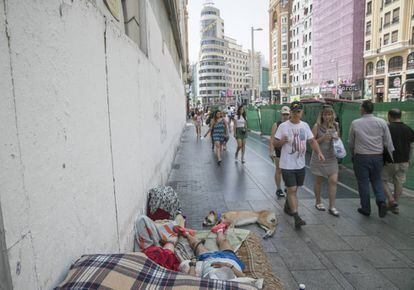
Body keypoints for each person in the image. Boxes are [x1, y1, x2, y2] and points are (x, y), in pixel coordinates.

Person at [274, 101, 325, 229]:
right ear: (290, 112)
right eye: (294, 111)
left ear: (301, 112)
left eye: (298, 111)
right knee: (291, 189)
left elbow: (312, 141)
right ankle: (296, 217)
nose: (296, 114)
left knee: (295, 189)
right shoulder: (283, 126)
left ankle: (288, 206)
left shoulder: (305, 126)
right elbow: (275, 143)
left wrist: (319, 152)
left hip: (300, 164)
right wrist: (281, 141)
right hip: (287, 164)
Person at [348, 100, 394, 218]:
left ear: (363, 109)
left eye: (360, 107)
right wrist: (390, 157)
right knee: (377, 180)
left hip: (361, 157)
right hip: (377, 157)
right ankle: (381, 201)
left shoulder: (355, 123)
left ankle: (366, 208)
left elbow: (351, 142)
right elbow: (388, 142)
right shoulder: (382, 122)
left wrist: (352, 154)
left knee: (363, 182)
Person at [175, 222, 246, 280]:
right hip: (230, 260)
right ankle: (219, 230)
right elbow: (244, 278)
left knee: (197, 245)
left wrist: (193, 264)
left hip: (208, 260)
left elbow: (191, 281)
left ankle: (186, 234)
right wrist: (228, 265)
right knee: (224, 242)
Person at [382, 108, 414, 214]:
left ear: (389, 116)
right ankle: (395, 207)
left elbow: (383, 144)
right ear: (400, 116)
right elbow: (412, 146)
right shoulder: (409, 129)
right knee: (399, 183)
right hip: (404, 161)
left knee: (382, 180)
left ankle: (391, 200)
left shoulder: (387, 128)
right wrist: (409, 159)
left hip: (390, 160)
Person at [310, 105, 340, 217]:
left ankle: (332, 206)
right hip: (319, 157)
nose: (327, 116)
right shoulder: (316, 126)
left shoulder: (336, 126)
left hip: (332, 157)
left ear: (333, 115)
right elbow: (311, 142)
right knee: (319, 181)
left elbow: (339, 140)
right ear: (321, 115)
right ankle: (318, 202)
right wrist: (323, 138)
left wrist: (336, 138)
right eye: (325, 114)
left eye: (329, 114)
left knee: (333, 181)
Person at [269, 106, 291, 198]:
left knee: (289, 170)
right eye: (284, 114)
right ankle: (278, 189)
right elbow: (272, 139)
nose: (285, 116)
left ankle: (287, 186)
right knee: (279, 169)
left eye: (287, 114)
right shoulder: (276, 125)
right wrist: (271, 151)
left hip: (289, 151)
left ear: (289, 114)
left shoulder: (292, 124)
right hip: (279, 150)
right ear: (281, 114)